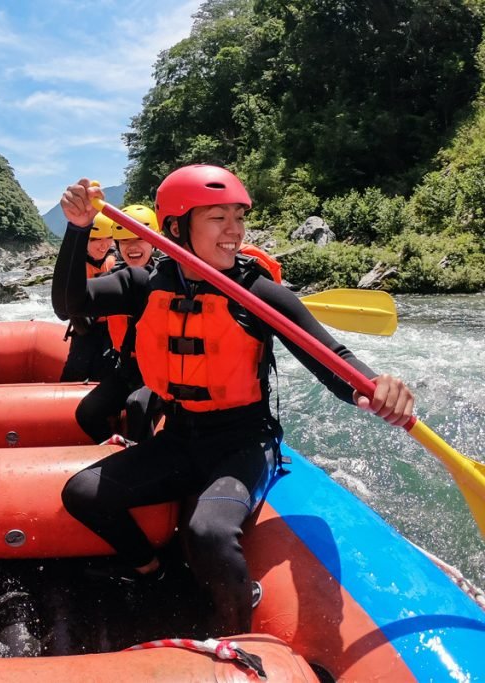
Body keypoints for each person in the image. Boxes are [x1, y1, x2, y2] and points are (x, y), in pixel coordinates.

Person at [53, 165, 414, 635]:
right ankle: (151, 571)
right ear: (176, 227)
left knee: (208, 533)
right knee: (82, 493)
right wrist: (77, 230)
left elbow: (331, 359)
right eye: (218, 218)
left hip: (244, 443)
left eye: (239, 218)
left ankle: (236, 637)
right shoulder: (144, 284)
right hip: (180, 437)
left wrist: (373, 388)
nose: (235, 231)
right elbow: (70, 304)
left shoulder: (257, 292)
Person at [74, 205, 161, 443]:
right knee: (87, 412)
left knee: (137, 405)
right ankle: (115, 446)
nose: (132, 247)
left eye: (139, 239)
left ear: (154, 241)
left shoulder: (168, 279)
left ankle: (143, 456)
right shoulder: (115, 279)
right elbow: (76, 304)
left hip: (162, 369)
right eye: (124, 241)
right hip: (128, 367)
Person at [58, 213, 118, 382]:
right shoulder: (74, 264)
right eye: (96, 239)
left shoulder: (117, 261)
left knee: (107, 370)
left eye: (108, 238)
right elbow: (61, 309)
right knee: (75, 370)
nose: (103, 245)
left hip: (112, 328)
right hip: (84, 327)